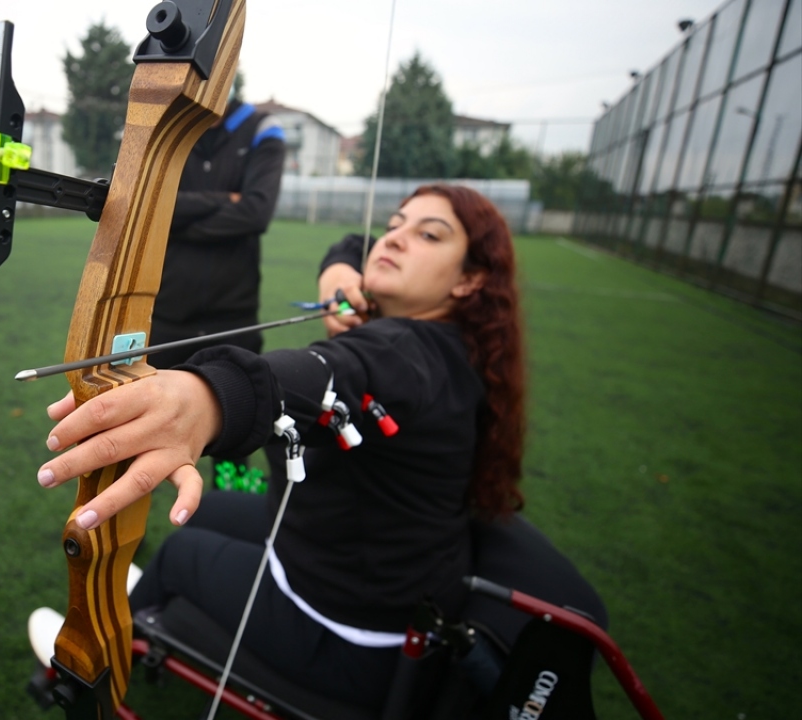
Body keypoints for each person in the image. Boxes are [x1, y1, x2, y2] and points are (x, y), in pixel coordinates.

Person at [33, 184, 526, 711]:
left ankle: (90, 662)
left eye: (429, 235)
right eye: (394, 225)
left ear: (470, 279)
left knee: (179, 554)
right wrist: (339, 272)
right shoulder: (454, 345)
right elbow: (355, 244)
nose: (395, 240)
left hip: (353, 633)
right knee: (210, 511)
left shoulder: (409, 352)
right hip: (366, 563)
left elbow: (328, 372)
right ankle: (136, 601)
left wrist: (210, 397)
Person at [148, 95, 286, 370]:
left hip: (233, 321)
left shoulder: (262, 127)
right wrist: (225, 199)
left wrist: (177, 224)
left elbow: (256, 213)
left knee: (236, 397)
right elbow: (148, 207)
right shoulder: (164, 128)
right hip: (164, 316)